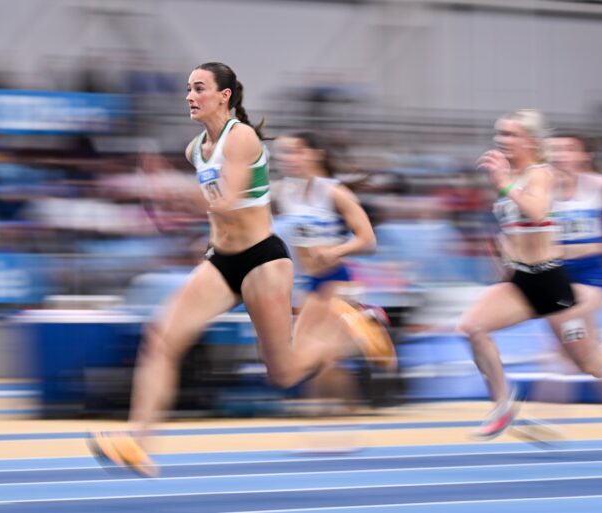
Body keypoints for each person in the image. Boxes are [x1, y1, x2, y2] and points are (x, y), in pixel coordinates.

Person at [89, 62, 394, 475]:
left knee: (284, 374)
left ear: (224, 96)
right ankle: (138, 442)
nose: (189, 96)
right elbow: (218, 215)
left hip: (263, 262)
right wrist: (182, 215)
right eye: (188, 89)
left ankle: (354, 330)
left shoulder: (243, 138)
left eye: (198, 88)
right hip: (221, 261)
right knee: (160, 337)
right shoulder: (194, 148)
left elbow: (229, 201)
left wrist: (174, 196)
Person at [457, 110, 602, 441]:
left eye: (511, 134)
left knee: (591, 363)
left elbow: (537, 211)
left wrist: (504, 183)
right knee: (471, 327)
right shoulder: (509, 176)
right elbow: (513, 226)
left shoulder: (541, 174)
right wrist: (501, 256)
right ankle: (502, 405)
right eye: (500, 133)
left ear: (530, 140)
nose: (502, 140)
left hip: (553, 288)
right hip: (520, 282)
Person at [274, 130, 392, 416]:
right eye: (284, 153)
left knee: (305, 358)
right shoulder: (284, 192)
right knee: (323, 358)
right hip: (309, 282)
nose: (288, 158)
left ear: (316, 154)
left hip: (337, 280)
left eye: (296, 151)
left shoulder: (335, 193)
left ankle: (325, 420)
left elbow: (368, 240)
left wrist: (334, 251)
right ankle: (342, 423)